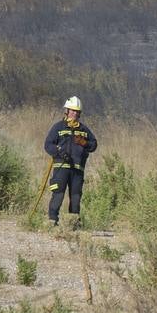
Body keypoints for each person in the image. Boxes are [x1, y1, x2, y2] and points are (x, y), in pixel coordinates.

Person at [43, 96, 99, 228]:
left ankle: (73, 225)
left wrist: (84, 142)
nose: (75, 113)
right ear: (67, 111)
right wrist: (59, 153)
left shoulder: (84, 130)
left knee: (75, 198)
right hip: (61, 167)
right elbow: (48, 144)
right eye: (72, 110)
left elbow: (94, 145)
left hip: (77, 170)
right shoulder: (58, 127)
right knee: (58, 194)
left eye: (77, 111)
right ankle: (52, 222)